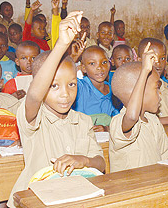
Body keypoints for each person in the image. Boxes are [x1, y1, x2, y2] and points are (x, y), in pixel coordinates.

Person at [8, 11, 105, 208]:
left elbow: (101, 164)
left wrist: (83, 160)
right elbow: (34, 95)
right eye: (54, 86)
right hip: (34, 200)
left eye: (71, 85)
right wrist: (61, 45)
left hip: (74, 197)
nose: (65, 94)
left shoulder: (83, 121)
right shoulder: (33, 118)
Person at [109, 43, 168, 172]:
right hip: (131, 190)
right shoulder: (119, 121)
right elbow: (132, 116)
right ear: (138, 91)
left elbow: (167, 158)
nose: (160, 93)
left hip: (155, 185)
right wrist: (144, 71)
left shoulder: (153, 120)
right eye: (156, 88)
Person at [73, 46, 119, 132]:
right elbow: (62, 78)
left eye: (104, 62)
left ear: (109, 64)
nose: (99, 67)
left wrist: (107, 128)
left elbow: (119, 122)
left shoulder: (114, 91)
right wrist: (73, 59)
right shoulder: (80, 87)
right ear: (83, 68)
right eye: (92, 63)